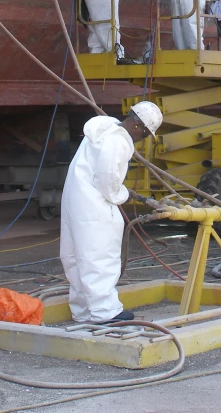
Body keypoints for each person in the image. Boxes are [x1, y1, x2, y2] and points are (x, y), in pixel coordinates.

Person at [60, 101, 163, 324]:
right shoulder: (117, 140)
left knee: (77, 256)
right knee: (100, 255)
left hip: (76, 200)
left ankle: (83, 310)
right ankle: (105, 312)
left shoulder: (100, 132)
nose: (142, 139)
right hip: (95, 204)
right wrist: (122, 195)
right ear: (137, 126)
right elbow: (107, 180)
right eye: (144, 134)